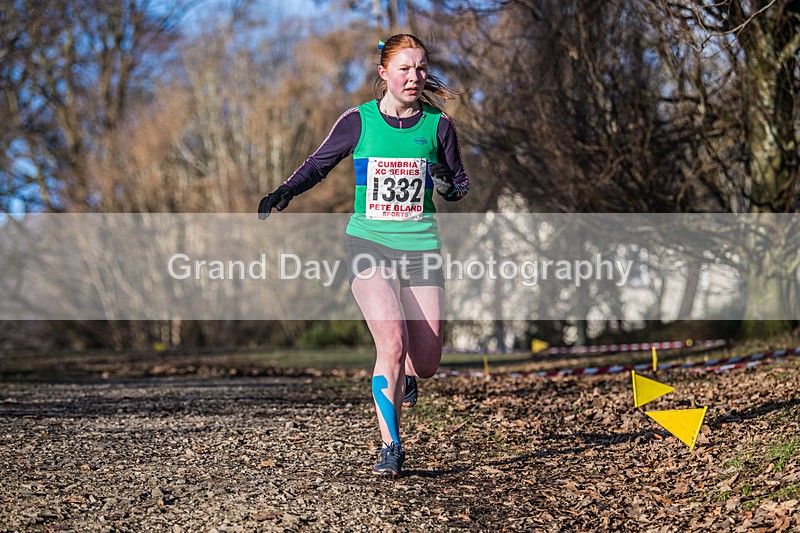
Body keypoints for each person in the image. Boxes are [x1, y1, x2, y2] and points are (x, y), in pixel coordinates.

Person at [258, 34, 470, 478]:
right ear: (384, 73)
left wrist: (446, 182)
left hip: (420, 247)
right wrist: (285, 191)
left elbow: (458, 186)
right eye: (404, 68)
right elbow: (318, 164)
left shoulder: (439, 126)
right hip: (368, 244)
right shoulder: (359, 121)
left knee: (426, 362)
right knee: (391, 343)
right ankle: (391, 446)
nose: (414, 77)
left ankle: (408, 377)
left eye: (420, 68)